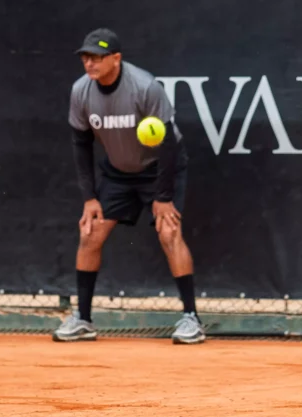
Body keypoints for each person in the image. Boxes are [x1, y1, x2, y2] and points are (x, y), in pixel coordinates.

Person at [53, 28, 205, 344]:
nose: (89, 63)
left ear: (116, 59)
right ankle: (83, 319)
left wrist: (163, 197)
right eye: (85, 57)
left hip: (161, 169)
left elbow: (168, 146)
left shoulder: (144, 87)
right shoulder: (81, 91)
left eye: (97, 57)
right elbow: (80, 144)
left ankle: (191, 318)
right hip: (118, 174)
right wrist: (89, 197)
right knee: (90, 234)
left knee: (169, 232)